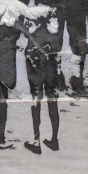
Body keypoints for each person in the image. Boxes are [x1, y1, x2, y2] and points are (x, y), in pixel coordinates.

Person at [0, 0, 52, 149]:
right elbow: (32, 13)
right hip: (5, 57)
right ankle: (2, 139)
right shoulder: (15, 5)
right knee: (2, 96)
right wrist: (48, 9)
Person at [18, 8, 61, 155]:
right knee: (52, 99)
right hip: (52, 68)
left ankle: (36, 141)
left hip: (37, 67)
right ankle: (54, 140)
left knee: (36, 99)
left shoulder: (36, 33)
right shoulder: (56, 31)